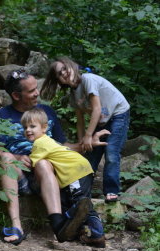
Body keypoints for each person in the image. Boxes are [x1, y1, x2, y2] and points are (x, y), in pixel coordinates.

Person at [0, 68, 109, 245]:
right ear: (16, 95)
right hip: (18, 174)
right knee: (6, 158)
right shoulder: (0, 116)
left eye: (36, 88)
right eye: (31, 91)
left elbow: (61, 146)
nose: (37, 92)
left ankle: (58, 223)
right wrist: (15, 156)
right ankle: (16, 225)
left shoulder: (46, 112)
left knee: (44, 163)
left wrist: (87, 142)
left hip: (47, 174)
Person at [41, 57, 130, 203]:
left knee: (111, 152)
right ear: (59, 81)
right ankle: (83, 193)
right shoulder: (73, 95)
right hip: (103, 120)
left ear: (72, 66)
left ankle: (111, 190)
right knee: (90, 155)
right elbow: (80, 121)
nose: (63, 73)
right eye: (59, 73)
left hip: (118, 114)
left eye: (64, 68)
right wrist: (82, 142)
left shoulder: (88, 79)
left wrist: (89, 135)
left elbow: (97, 109)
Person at [21, 107, 105, 248]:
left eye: (32, 126)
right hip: (81, 169)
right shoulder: (49, 141)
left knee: (81, 203)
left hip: (75, 172)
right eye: (25, 127)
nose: (28, 130)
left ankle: (73, 220)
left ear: (44, 127)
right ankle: (96, 235)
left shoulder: (40, 143)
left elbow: (32, 164)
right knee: (82, 203)